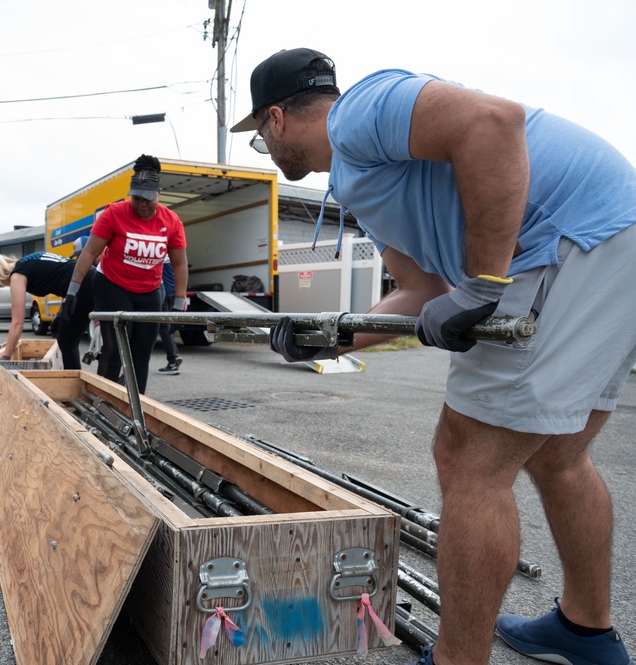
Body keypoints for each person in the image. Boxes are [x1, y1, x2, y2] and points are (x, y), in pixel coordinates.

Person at [232, 48, 636, 665]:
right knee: (558, 452)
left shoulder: (357, 112)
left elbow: (493, 123)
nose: (266, 147)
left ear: (278, 119)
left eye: (261, 138)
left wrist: (484, 283)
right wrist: (326, 336)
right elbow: (422, 293)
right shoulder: (361, 185)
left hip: (569, 238)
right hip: (614, 237)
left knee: (469, 458)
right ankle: (585, 632)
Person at [64, 154, 189, 394]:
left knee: (141, 354)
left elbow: (180, 263)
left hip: (150, 291)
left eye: (148, 199)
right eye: (137, 198)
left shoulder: (171, 221)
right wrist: (72, 291)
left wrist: (179, 302)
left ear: (159, 193)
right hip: (112, 286)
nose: (142, 204)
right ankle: (102, 404)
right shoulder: (114, 214)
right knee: (114, 350)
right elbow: (89, 253)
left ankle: (135, 409)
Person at [0, 251, 96, 369]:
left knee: (67, 342)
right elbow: (65, 275)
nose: (3, 285)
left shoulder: (17, 275)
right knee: (70, 340)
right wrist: (59, 314)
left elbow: (17, 323)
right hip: (90, 276)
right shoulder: (27, 262)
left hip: (83, 284)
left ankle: (76, 385)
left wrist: (5, 358)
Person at [156, 255, 182, 375]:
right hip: (173, 292)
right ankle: (174, 357)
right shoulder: (173, 253)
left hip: (163, 292)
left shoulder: (159, 250)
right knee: (167, 326)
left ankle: (172, 361)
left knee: (163, 327)